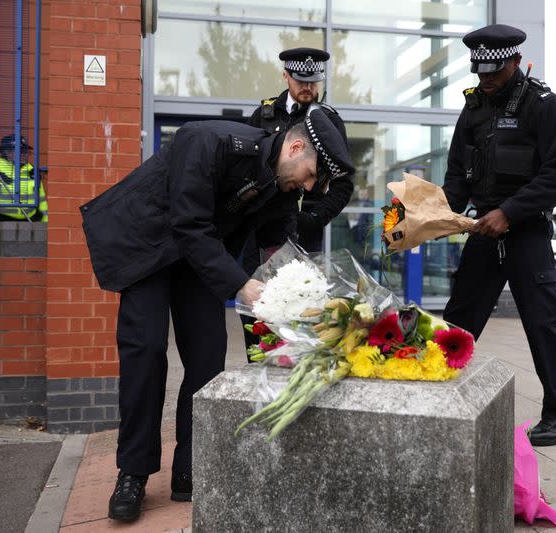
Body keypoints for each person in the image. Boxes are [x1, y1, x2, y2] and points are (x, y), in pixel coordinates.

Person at [80, 107, 354, 522]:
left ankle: (190, 466)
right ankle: (133, 470)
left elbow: (277, 241)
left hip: (199, 259)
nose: (310, 186)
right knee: (146, 349)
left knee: (208, 355)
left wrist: (304, 292)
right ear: (295, 147)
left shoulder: (282, 183)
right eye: (312, 174)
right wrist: (242, 285)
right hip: (147, 247)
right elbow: (189, 224)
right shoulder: (209, 142)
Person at [442, 24, 556, 446]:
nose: (486, 81)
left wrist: (511, 211)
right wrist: (430, 215)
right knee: (459, 320)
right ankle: (437, 394)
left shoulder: (545, 106)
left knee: (542, 324)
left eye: (494, 73)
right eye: (479, 73)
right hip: (482, 229)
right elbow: (456, 177)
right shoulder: (473, 108)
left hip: (527, 231)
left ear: (515, 61)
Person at [240, 47, 355, 352]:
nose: (308, 87)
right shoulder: (263, 115)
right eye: (301, 80)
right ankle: (259, 375)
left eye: (314, 81)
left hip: (305, 230)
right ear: (286, 76)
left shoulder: (329, 120)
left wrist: (316, 218)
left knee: (303, 313)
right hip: (261, 230)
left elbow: (344, 183)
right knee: (259, 315)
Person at [0, 134, 48, 222]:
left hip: (31, 222)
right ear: (7, 153)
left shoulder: (32, 172)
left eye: (26, 151)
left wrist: (46, 224)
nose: (25, 155)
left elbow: (42, 202)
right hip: (2, 223)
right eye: (21, 151)